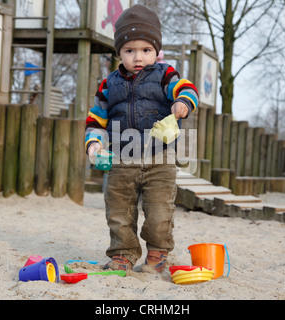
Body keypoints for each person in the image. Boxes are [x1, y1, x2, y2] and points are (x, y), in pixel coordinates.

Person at [85, 4, 199, 273]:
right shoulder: (109, 84)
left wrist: (183, 101)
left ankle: (158, 253)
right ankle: (123, 254)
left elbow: (187, 88)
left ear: (156, 51)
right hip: (122, 159)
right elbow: (96, 120)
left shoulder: (164, 75)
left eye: (146, 50)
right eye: (130, 50)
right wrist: (94, 143)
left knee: (159, 211)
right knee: (119, 211)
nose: (138, 57)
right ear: (119, 52)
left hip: (160, 158)